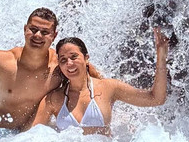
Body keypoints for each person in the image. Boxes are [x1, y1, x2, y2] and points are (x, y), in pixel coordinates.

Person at [34, 28, 169, 136]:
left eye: (74, 57)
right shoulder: (53, 99)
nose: (69, 63)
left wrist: (161, 56)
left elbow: (155, 99)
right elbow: (32, 136)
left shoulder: (108, 87)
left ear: (86, 58)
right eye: (63, 60)